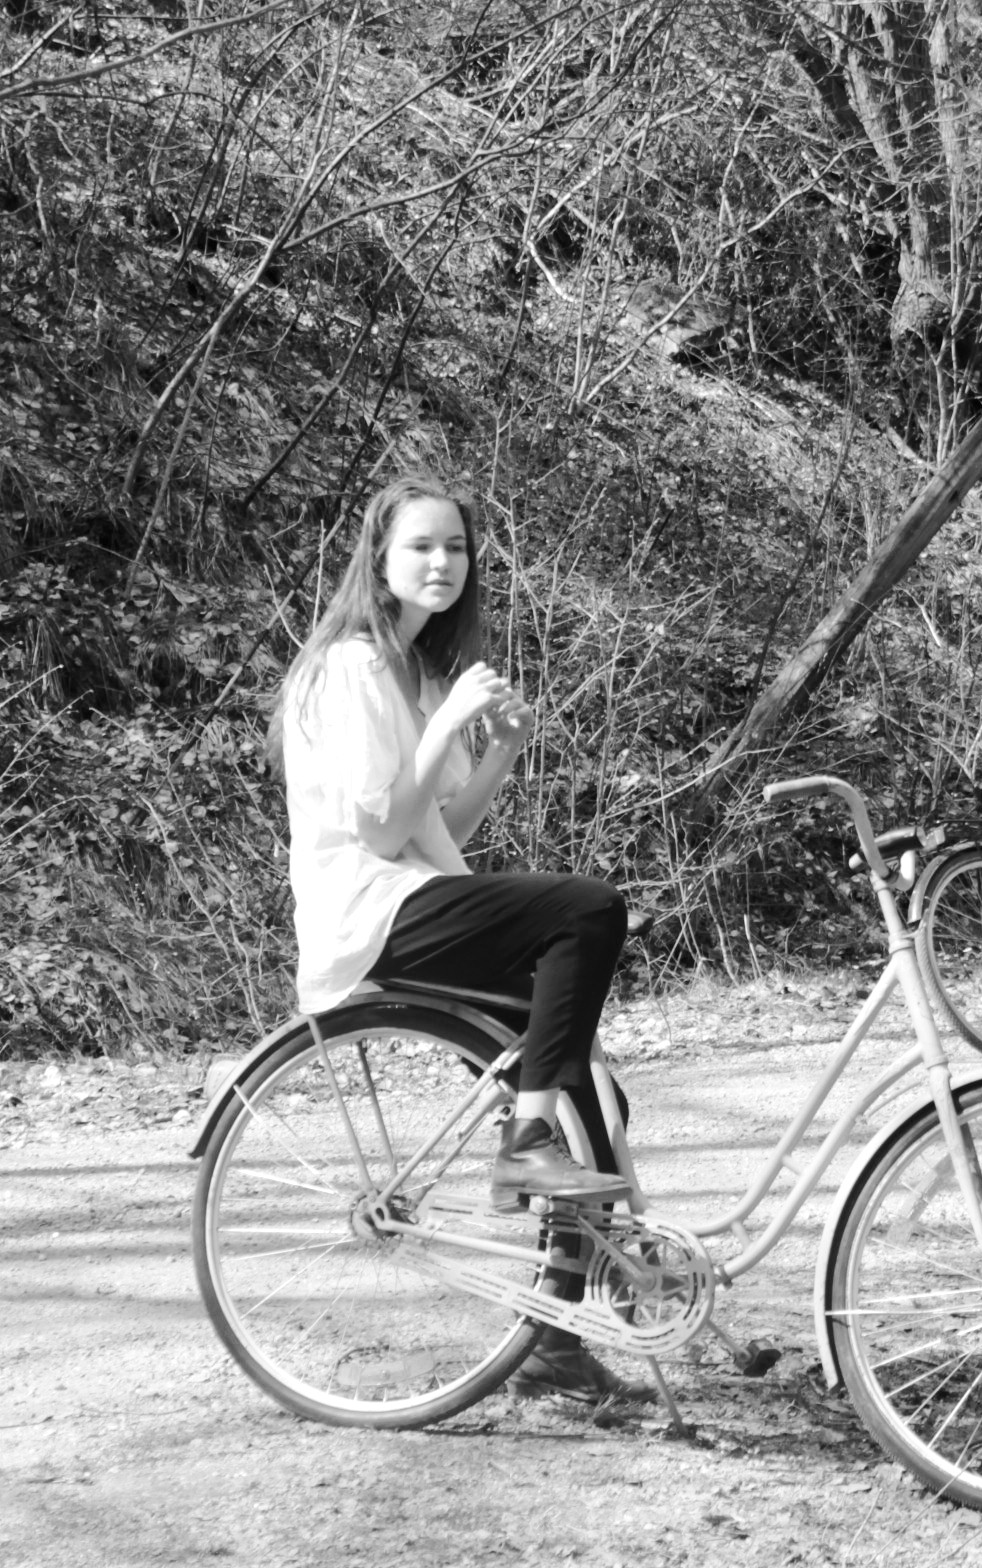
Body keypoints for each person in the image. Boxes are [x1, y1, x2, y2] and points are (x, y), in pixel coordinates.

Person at [269, 473, 651, 1404]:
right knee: (588, 908)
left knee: (586, 1079)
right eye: (420, 547)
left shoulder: (415, 671)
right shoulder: (355, 667)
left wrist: (501, 749)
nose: (442, 563)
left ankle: (557, 1338)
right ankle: (526, 1140)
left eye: (456, 548)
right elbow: (379, 833)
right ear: (379, 560)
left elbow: (439, 829)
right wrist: (444, 725)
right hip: (369, 912)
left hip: (415, 891)